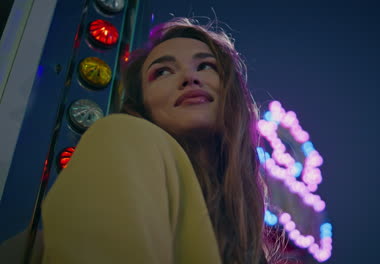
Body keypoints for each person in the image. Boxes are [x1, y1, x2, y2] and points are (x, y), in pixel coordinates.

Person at [36, 18, 281, 264]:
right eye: (163, 72)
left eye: (206, 66)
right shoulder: (123, 133)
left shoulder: (242, 229)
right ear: (142, 105)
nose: (189, 78)